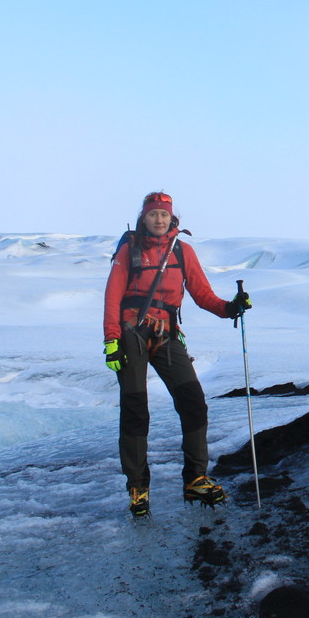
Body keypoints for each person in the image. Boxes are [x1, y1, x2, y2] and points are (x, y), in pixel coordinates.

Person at [102, 191, 251, 517]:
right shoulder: (130, 250)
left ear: (172, 219)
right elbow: (113, 296)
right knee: (135, 409)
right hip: (131, 334)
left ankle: (195, 478)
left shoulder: (183, 252)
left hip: (167, 335)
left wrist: (231, 308)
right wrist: (112, 341)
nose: (158, 219)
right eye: (153, 214)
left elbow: (202, 295)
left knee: (194, 403)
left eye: (163, 214)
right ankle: (138, 487)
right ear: (144, 218)